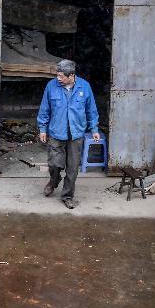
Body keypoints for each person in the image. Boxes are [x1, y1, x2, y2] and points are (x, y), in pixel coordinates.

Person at [36, 59, 100, 209]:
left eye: (61, 76)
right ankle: (54, 180)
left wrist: (94, 129)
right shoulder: (51, 86)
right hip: (56, 132)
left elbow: (91, 110)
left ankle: (67, 196)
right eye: (57, 75)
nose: (58, 78)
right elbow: (45, 108)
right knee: (54, 164)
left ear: (71, 75)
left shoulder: (84, 86)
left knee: (72, 168)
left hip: (76, 133)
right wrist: (42, 128)